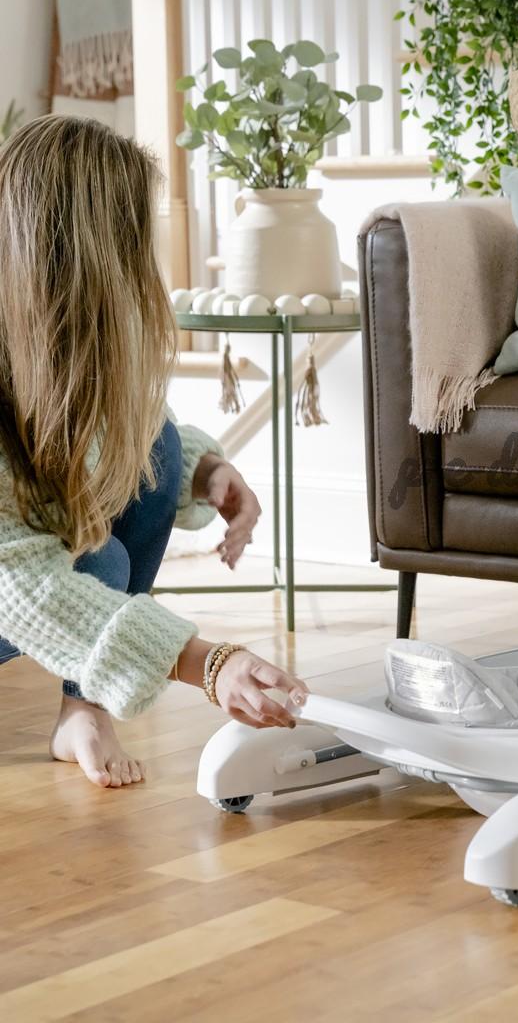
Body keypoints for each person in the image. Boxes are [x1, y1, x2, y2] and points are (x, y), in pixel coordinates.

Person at [0, 115, 307, 789]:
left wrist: (205, 471)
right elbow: (16, 585)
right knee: (102, 559)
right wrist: (206, 662)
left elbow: (123, 434)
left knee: (161, 450)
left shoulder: (50, 342)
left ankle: (83, 710)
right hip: (6, 583)